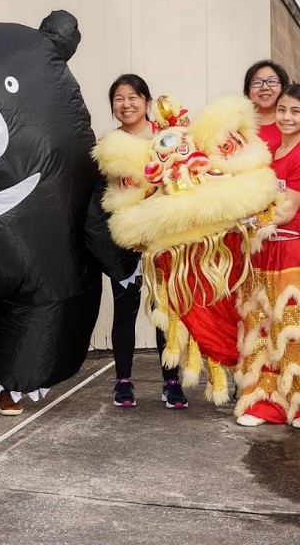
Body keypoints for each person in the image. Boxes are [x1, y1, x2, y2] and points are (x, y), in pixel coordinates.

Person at [233, 83, 300, 429]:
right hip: (264, 251)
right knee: (260, 328)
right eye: (282, 110)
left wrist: (242, 219)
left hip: (293, 251)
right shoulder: (271, 153)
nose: (286, 117)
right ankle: (264, 404)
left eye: (295, 111)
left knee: (294, 329)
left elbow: (286, 211)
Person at [103, 74, 188, 409]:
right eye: (119, 98)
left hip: (163, 239)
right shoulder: (108, 144)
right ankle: (123, 381)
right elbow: (104, 197)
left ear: (148, 101)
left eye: (133, 97)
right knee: (124, 311)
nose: (126, 104)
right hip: (126, 241)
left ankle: (171, 382)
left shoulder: (166, 136)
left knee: (163, 312)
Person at [244, 60, 300, 211]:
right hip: (249, 215)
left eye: (272, 81)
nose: (265, 87)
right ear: (247, 91)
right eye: (257, 82)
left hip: (294, 218)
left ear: (284, 88)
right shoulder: (238, 127)